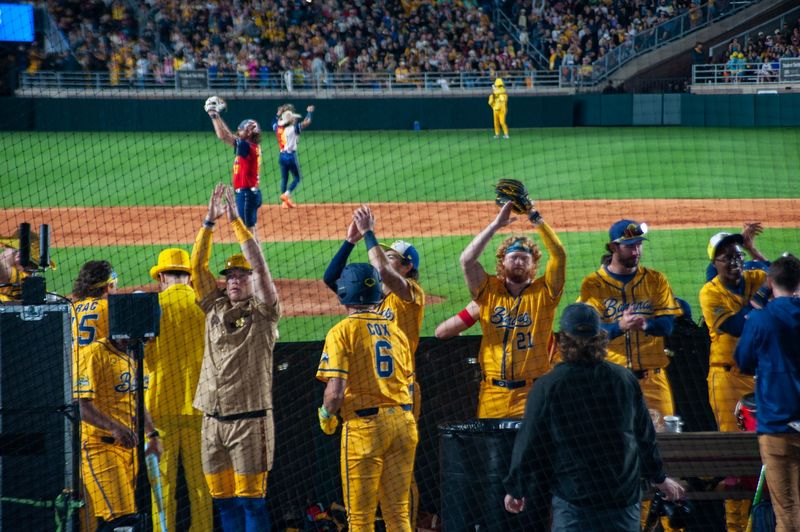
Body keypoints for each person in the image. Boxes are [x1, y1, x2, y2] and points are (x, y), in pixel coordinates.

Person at [503, 303, 685, 531]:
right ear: (600, 337)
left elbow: (528, 441)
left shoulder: (548, 385)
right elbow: (644, 436)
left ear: (563, 341)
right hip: (622, 499)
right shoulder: (624, 379)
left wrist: (516, 488)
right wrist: (659, 478)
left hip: (575, 501)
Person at [322, 205, 424, 524]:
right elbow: (333, 280)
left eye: (392, 256)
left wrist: (369, 234)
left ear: (407, 268)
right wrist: (349, 242)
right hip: (387, 401)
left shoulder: (411, 295)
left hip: (397, 395)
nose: (381, 257)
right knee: (394, 504)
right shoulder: (375, 302)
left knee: (382, 502)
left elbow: (380, 272)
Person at [191, 183, 281, 532]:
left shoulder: (264, 312)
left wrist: (238, 224)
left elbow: (262, 268)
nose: (234, 280)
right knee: (223, 502)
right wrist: (209, 223)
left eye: (242, 276)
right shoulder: (212, 306)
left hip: (250, 421)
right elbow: (197, 267)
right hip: (211, 421)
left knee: (251, 504)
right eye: (230, 275)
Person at [460, 200, 566, 418]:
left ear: (533, 265)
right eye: (514, 257)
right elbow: (467, 261)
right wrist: (496, 224)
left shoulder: (545, 293)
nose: (519, 261)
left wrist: (534, 217)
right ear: (502, 262)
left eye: (525, 258)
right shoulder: (488, 291)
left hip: (532, 393)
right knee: (493, 452)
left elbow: (559, 255)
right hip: (492, 393)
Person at [700, 229, 769, 531]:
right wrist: (765, 294)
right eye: (727, 257)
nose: (735, 261)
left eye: (738, 255)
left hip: (761, 380)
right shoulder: (710, 292)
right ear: (714, 263)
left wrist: (755, 252)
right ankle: (735, 527)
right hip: (727, 381)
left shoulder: (752, 278)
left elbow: (789, 273)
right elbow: (738, 325)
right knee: (736, 459)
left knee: (766, 455)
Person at [144, 248, 210, 531]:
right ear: (191, 278)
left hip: (159, 410)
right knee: (202, 487)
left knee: (162, 487)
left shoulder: (151, 307)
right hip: (201, 408)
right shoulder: (205, 305)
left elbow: (143, 359)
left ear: (161, 277)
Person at [734, 254, 800, 532]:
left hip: (776, 428)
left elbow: (743, 361)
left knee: (787, 514)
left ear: (770, 282)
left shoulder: (760, 318)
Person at [73, 335, 163, 531]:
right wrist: (113, 427)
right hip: (99, 447)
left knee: (123, 518)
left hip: (130, 450)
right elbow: (80, 406)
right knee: (122, 521)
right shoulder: (93, 353)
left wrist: (152, 434)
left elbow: (137, 402)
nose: (147, 340)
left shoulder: (136, 355)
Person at [206, 105, 263, 237]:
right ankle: (256, 257)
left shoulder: (246, 146)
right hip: (250, 193)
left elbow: (223, 135)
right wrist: (217, 116)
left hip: (246, 195)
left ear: (249, 132)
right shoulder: (250, 146)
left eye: (241, 130)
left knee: (247, 233)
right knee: (251, 230)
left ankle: (251, 257)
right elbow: (228, 135)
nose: (238, 132)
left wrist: (214, 115)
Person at [272, 103, 314, 208]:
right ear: (289, 120)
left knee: (284, 178)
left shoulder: (278, 128)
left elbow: (273, 122)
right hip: (290, 156)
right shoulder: (293, 129)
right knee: (297, 178)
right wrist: (309, 112)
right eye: (293, 118)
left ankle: (284, 202)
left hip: (281, 156)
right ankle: (286, 195)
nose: (295, 119)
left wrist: (278, 114)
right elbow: (307, 122)